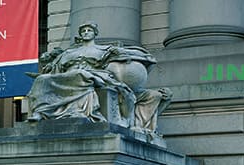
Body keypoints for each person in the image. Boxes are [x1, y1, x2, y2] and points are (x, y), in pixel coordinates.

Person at [26, 21, 171, 134]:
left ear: (95, 33)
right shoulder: (68, 53)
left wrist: (128, 57)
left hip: (93, 75)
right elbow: (55, 71)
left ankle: (75, 111)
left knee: (81, 75)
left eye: (89, 30)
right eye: (83, 31)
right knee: (41, 80)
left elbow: (143, 59)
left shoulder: (104, 49)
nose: (86, 33)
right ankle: (40, 113)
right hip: (67, 77)